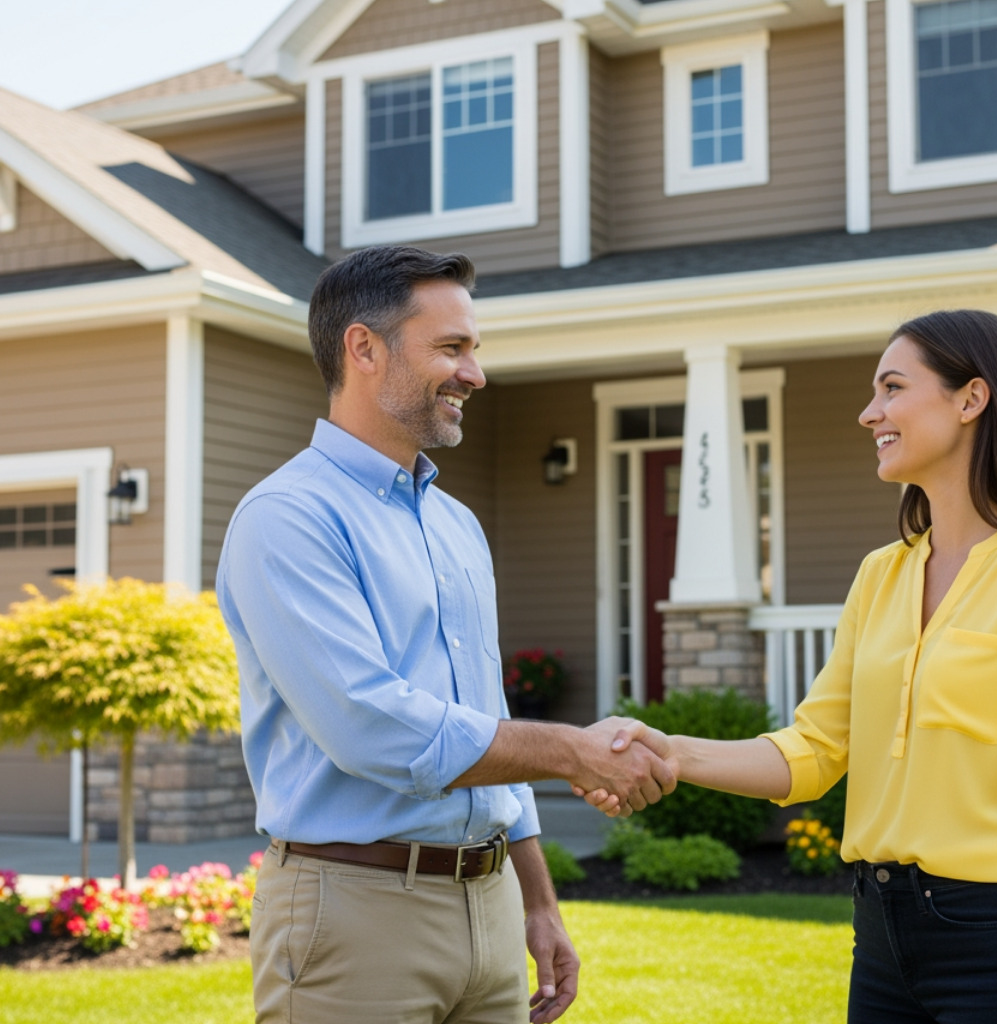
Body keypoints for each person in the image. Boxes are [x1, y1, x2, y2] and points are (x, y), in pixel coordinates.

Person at [583, 309, 997, 1023]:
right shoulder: (882, 575)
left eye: (893, 388)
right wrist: (672, 752)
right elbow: (814, 751)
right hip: (879, 939)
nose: (871, 413)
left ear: (972, 399)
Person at [216, 245, 675, 1024]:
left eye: (475, 350)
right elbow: (372, 726)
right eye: (451, 348)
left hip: (488, 911)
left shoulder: (456, 523)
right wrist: (571, 750)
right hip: (354, 917)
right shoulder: (287, 518)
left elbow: (481, 712)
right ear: (364, 347)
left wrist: (537, 902)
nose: (476, 374)